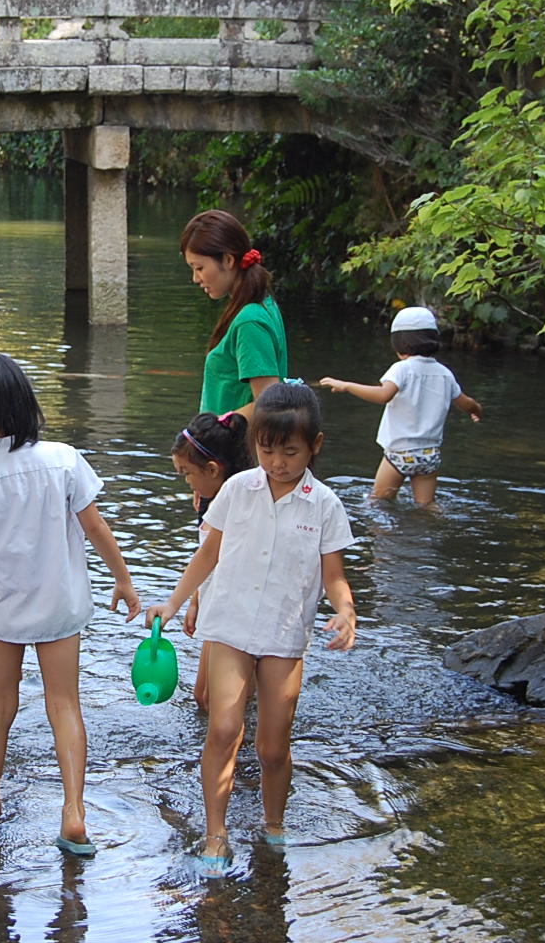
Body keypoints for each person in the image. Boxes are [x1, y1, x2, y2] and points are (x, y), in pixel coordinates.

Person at [141, 382, 357, 873]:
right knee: (222, 728)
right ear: (253, 443)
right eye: (266, 449)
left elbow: (334, 575)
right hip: (230, 626)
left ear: (314, 446)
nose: (277, 461)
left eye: (290, 451)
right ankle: (216, 834)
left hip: (285, 634)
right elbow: (207, 554)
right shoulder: (238, 490)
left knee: (274, 745)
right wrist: (172, 605)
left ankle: (274, 826)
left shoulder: (324, 505)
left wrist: (346, 611)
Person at [0, 351, 140, 856]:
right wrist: (124, 582)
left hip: (3, 609)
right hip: (61, 604)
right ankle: (74, 812)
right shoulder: (64, 458)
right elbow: (96, 527)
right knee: (65, 705)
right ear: (24, 402)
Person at [319, 306, 484, 507]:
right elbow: (466, 403)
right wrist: (476, 411)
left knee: (378, 501)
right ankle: (436, 528)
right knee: (427, 505)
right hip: (429, 455)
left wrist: (347, 386)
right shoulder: (445, 373)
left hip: (400, 453)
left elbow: (383, 396)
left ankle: (382, 537)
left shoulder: (402, 369)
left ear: (399, 342)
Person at [169, 410, 254, 711]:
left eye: (188, 473)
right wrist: (196, 598)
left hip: (235, 614)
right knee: (205, 697)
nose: (188, 482)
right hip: (215, 603)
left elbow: (212, 555)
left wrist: (182, 602)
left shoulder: (241, 507)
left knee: (217, 699)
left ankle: (240, 749)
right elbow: (206, 558)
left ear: (213, 469)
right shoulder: (209, 500)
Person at [181, 209, 287, 419]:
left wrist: (210, 432)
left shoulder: (250, 320)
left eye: (199, 268)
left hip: (232, 448)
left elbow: (268, 404)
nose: (195, 278)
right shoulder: (262, 304)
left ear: (228, 260)